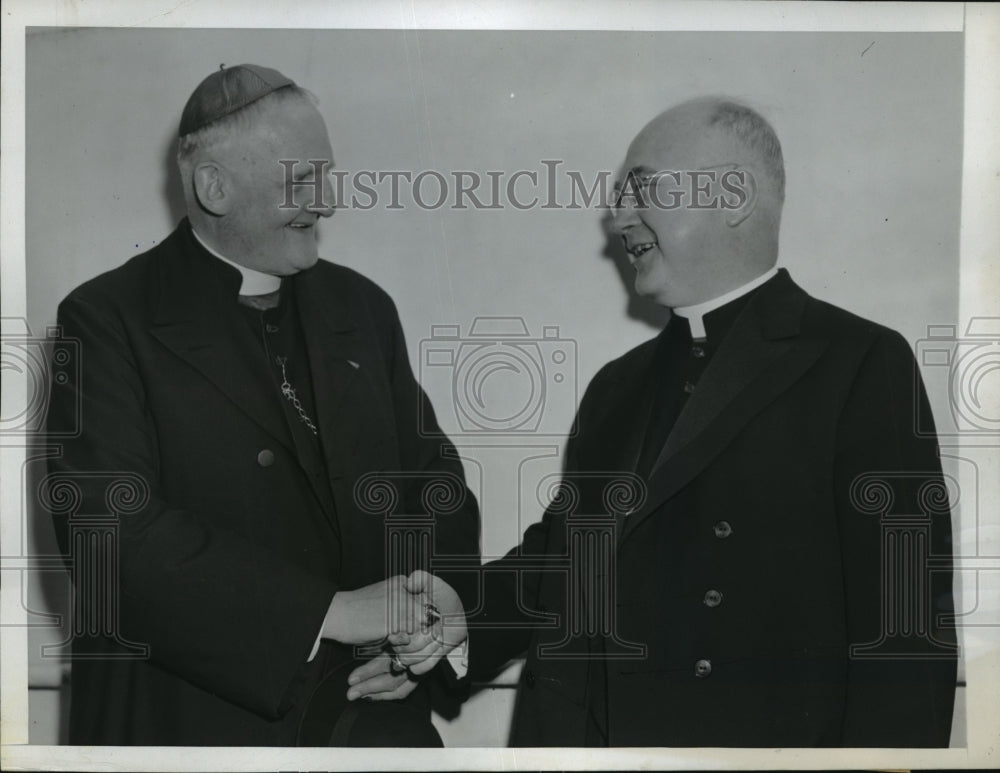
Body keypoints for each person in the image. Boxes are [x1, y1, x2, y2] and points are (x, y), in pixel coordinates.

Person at [372, 96, 958, 747]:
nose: (616, 218)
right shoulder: (617, 383)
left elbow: (904, 628)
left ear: (733, 194)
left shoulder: (857, 361)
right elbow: (566, 555)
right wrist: (467, 615)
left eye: (639, 187)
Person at [44, 64, 480, 746]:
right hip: (193, 726)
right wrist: (331, 613)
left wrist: (429, 616)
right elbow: (107, 538)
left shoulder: (362, 307)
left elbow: (433, 481)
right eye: (303, 179)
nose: (329, 201)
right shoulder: (106, 320)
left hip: (370, 723)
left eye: (327, 175)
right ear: (215, 187)